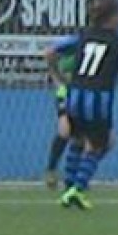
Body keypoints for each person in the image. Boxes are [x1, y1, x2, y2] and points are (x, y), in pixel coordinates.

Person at [46, 0, 118, 210]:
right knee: (104, 143)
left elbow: (51, 51)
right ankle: (77, 189)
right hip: (98, 100)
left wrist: (58, 75)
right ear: (113, 18)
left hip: (75, 95)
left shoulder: (83, 36)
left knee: (79, 140)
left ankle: (69, 187)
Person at [43, 44, 78, 191]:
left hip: (84, 95)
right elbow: (51, 59)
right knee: (64, 130)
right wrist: (57, 79)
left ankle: (72, 179)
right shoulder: (70, 49)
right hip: (66, 94)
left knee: (81, 137)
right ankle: (51, 170)